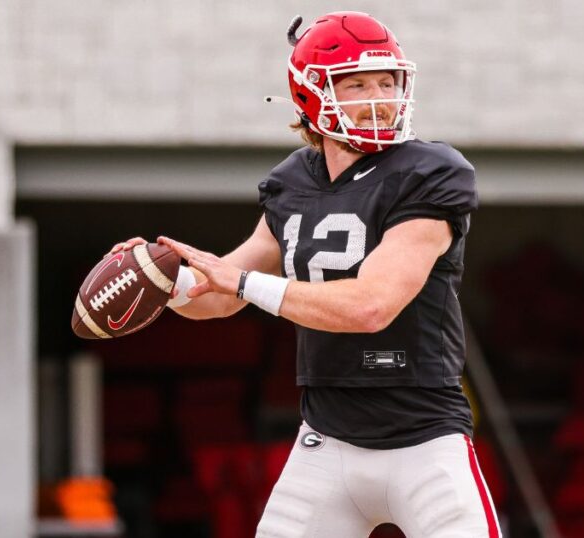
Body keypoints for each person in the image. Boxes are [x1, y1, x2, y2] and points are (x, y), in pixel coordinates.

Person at [112, 12, 501, 537]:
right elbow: (221, 293)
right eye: (358, 83)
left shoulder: (430, 172)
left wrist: (243, 284)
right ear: (312, 94)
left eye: (387, 81)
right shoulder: (291, 181)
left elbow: (371, 306)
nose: (379, 96)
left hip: (425, 440)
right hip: (327, 442)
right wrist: (166, 283)